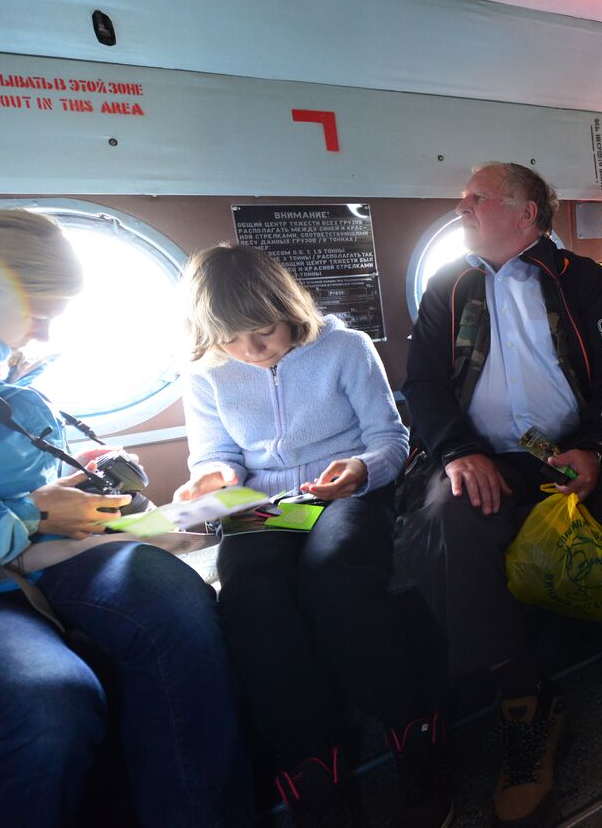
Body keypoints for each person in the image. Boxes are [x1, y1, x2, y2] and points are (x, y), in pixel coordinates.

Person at [402, 163, 602, 827]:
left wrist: (598, 448)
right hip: (487, 455)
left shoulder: (581, 280)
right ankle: (525, 701)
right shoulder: (447, 285)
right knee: (445, 519)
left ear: (526, 213)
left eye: (477, 197)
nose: (461, 205)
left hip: (575, 442)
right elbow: (425, 389)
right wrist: (459, 452)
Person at [0, 209, 249, 827]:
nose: (38, 335)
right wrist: (33, 512)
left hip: (33, 551)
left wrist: (69, 482)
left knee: (171, 594)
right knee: (44, 703)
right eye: (37, 313)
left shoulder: (1, 375)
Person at [175, 243, 446, 827]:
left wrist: (360, 471)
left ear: (287, 308)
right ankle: (312, 763)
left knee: (336, 575)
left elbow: (390, 441)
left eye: (264, 331)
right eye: (230, 339)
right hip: (270, 504)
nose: (251, 351)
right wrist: (212, 479)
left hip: (347, 491)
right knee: (250, 590)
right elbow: (216, 454)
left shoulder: (345, 348)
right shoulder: (205, 373)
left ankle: (411, 727)